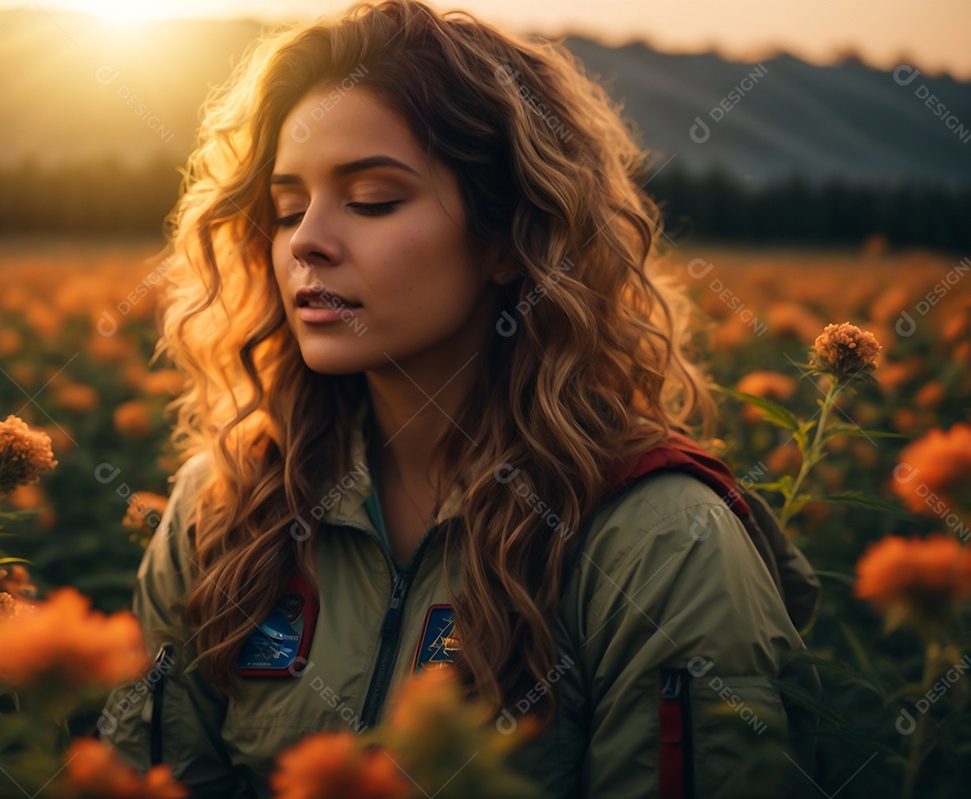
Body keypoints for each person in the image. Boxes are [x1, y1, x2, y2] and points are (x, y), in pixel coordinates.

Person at [100, 1, 822, 796]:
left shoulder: (660, 540)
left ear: (511, 238)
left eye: (372, 199)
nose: (306, 240)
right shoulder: (223, 505)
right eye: (285, 209)